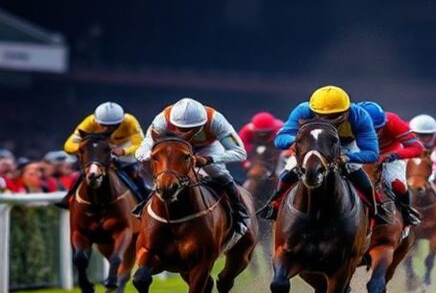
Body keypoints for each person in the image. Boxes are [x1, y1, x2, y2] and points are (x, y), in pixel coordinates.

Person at [257, 85, 380, 221]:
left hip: (344, 148)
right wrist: (298, 142)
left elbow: (372, 153)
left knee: (360, 177)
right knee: (288, 171)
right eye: (321, 116)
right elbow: (280, 138)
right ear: (312, 110)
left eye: (333, 116)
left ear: (347, 111)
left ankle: (374, 212)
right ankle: (275, 205)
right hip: (311, 144)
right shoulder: (303, 110)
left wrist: (348, 157)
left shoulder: (359, 116)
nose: (327, 119)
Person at [134, 97, 251, 235]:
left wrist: (209, 159)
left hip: (207, 148)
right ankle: (145, 203)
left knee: (217, 171)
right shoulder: (162, 120)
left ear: (202, 123)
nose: (184, 133)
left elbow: (240, 153)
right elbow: (142, 148)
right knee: (158, 171)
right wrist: (149, 155)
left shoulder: (216, 121)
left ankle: (239, 212)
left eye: (190, 129)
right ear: (172, 122)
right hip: (175, 148)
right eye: (181, 128)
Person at [56, 101, 148, 208]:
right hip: (100, 151)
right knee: (87, 171)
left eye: (114, 126)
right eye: (104, 125)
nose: (108, 129)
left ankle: (144, 200)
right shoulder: (89, 122)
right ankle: (68, 198)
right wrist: (86, 148)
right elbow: (68, 146)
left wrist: (123, 151)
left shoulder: (130, 121)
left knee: (134, 173)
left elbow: (141, 145)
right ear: (96, 121)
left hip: (125, 150)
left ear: (121, 121)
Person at [357, 101, 423, 225]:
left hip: (389, 154)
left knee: (397, 184)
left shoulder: (393, 121)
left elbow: (417, 148)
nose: (373, 134)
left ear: (384, 123)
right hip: (360, 154)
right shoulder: (349, 124)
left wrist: (393, 155)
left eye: (377, 129)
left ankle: (406, 214)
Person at [409, 114, 436, 194]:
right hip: (415, 158)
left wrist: (433, 168)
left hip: (433, 158)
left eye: (426, 135)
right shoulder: (405, 132)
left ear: (434, 133)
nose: (421, 139)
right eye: (418, 135)